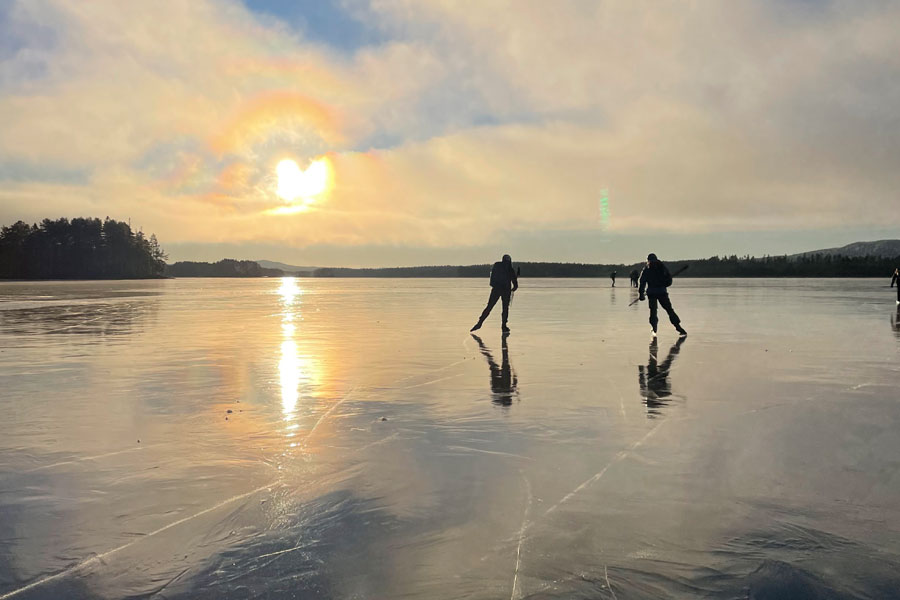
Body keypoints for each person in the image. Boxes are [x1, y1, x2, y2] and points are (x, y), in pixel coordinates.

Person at [639, 253, 687, 337]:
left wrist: (641, 293)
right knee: (657, 311)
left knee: (665, 310)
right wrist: (641, 294)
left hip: (659, 293)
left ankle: (678, 327)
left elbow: (668, 281)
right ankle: (655, 327)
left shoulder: (660, 268)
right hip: (655, 293)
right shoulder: (650, 269)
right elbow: (642, 282)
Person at [471, 254, 518, 333]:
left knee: (489, 307)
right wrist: (514, 287)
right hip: (505, 291)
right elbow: (515, 283)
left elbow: (492, 279)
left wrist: (495, 285)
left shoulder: (497, 266)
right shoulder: (510, 269)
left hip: (496, 290)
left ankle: (480, 323)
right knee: (505, 309)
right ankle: (503, 326)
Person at [638, 336, 685, 415]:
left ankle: (654, 342)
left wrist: (641, 371)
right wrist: (641, 371)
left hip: (655, 375)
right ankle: (656, 342)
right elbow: (642, 382)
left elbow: (642, 382)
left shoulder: (647, 393)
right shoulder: (653, 394)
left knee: (664, 359)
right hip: (658, 376)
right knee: (666, 359)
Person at [471, 333, 518, 406]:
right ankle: (503, 340)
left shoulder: (501, 391)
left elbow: (514, 382)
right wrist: (515, 380)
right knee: (499, 361)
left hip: (499, 380)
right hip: (502, 380)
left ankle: (503, 340)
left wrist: (515, 379)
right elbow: (514, 383)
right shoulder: (504, 392)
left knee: (499, 361)